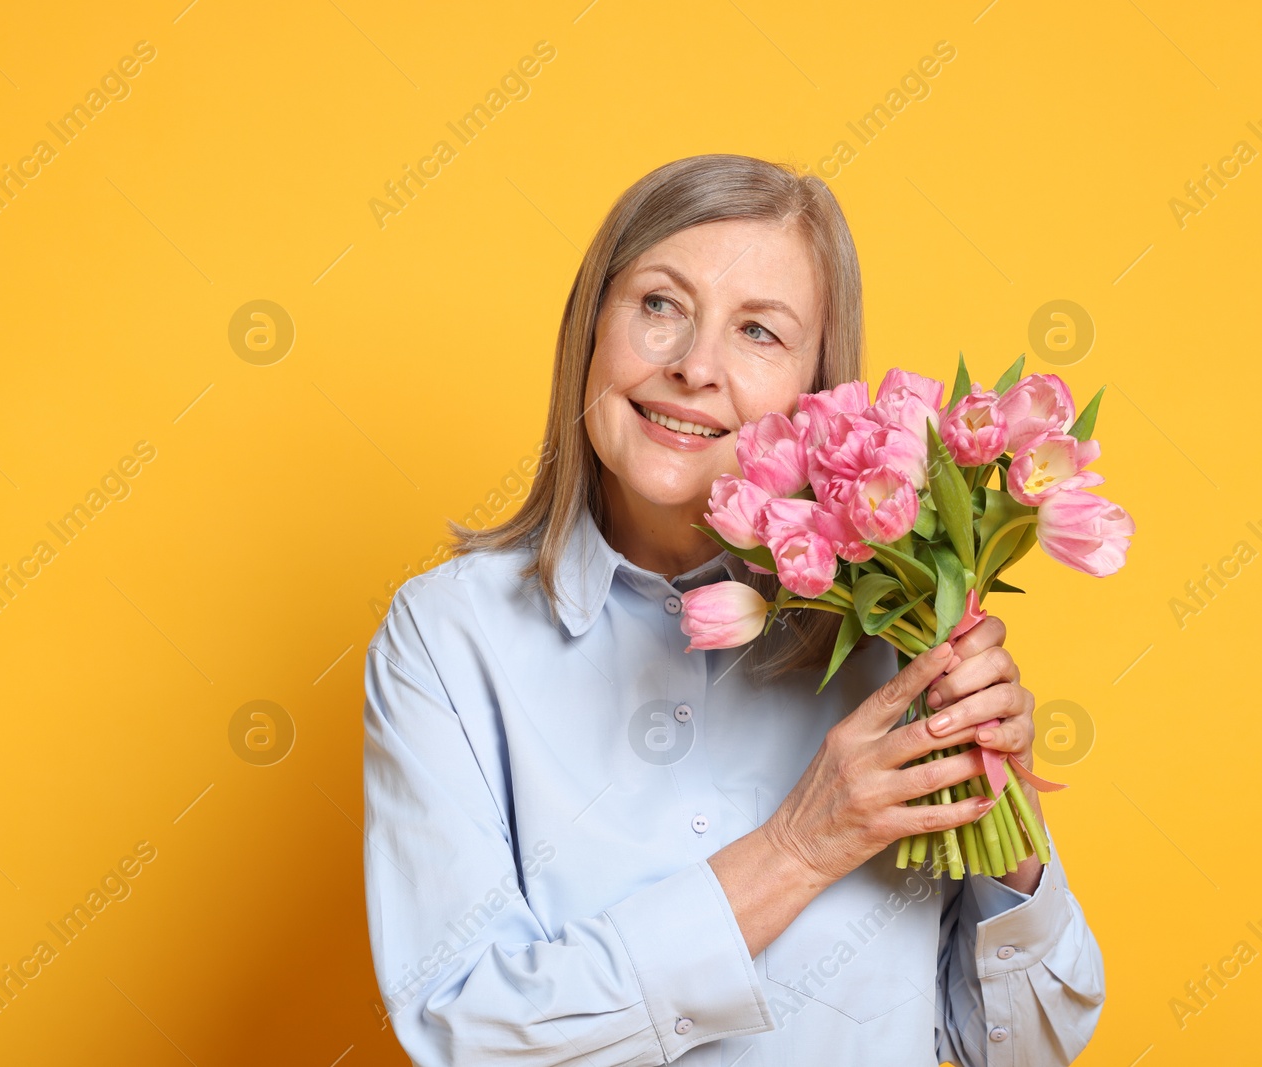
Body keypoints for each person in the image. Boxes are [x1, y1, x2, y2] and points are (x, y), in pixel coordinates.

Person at [361, 154, 1104, 1066]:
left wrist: (1006, 809)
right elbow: (468, 1034)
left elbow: (1022, 1050)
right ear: (590, 328)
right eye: (660, 305)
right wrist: (802, 845)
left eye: (758, 331)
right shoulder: (447, 638)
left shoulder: (899, 633)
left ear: (816, 393)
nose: (695, 367)